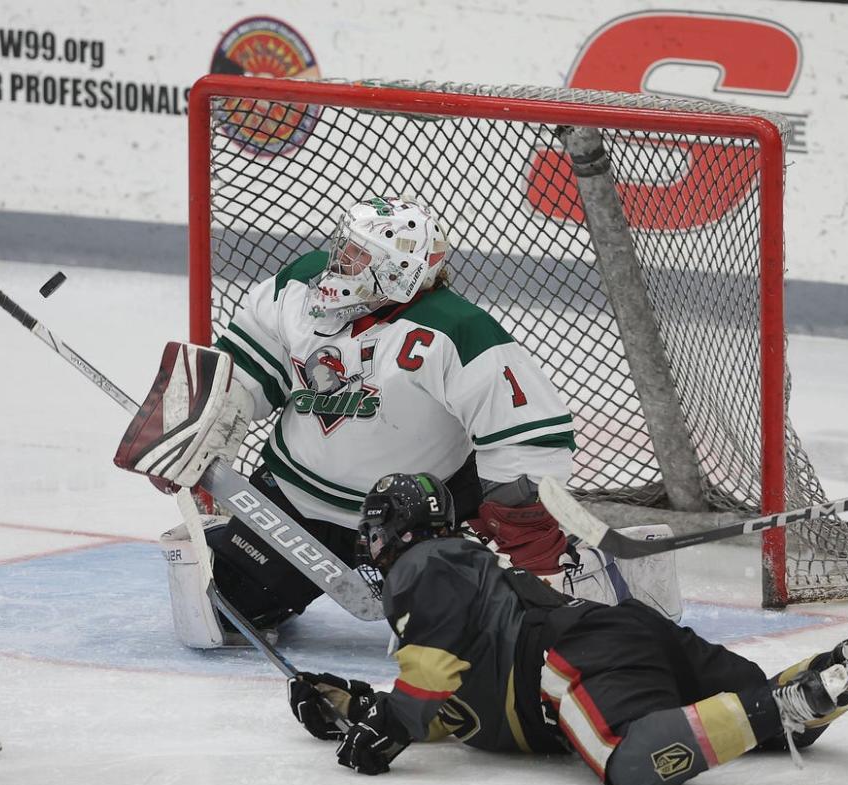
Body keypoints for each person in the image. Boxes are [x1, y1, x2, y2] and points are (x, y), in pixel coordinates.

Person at [153, 195, 677, 649]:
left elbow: (526, 432)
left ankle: (605, 577)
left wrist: (523, 521)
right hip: (294, 502)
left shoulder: (457, 331)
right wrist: (195, 425)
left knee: (478, 636)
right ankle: (243, 545)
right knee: (226, 608)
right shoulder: (298, 289)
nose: (337, 263)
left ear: (396, 270)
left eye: (356, 256)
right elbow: (244, 371)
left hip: (410, 518)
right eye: (343, 248)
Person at [286, 472, 848, 785]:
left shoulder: (425, 562)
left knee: (632, 760)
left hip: (571, 660)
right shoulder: (463, 572)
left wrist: (391, 728)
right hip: (620, 636)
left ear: (391, 529)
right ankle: (838, 670)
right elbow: (455, 706)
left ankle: (786, 700)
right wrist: (356, 707)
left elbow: (433, 673)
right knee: (771, 728)